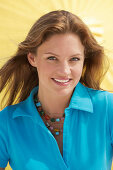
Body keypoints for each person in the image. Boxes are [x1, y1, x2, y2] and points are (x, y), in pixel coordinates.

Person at [0, 10, 113, 170]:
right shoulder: (6, 122)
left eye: (74, 59)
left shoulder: (108, 108)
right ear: (33, 58)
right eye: (52, 58)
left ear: (83, 59)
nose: (64, 71)